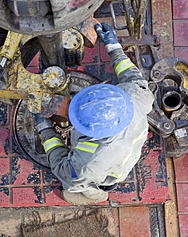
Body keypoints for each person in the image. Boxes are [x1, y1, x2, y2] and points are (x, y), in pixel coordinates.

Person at [34, 22, 155, 205]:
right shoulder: (134, 97)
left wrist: (44, 129)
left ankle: (97, 194)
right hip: (128, 151)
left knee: (72, 185)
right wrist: (113, 46)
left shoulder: (88, 165)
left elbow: (61, 166)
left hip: (108, 173)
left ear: (92, 131)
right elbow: (130, 75)